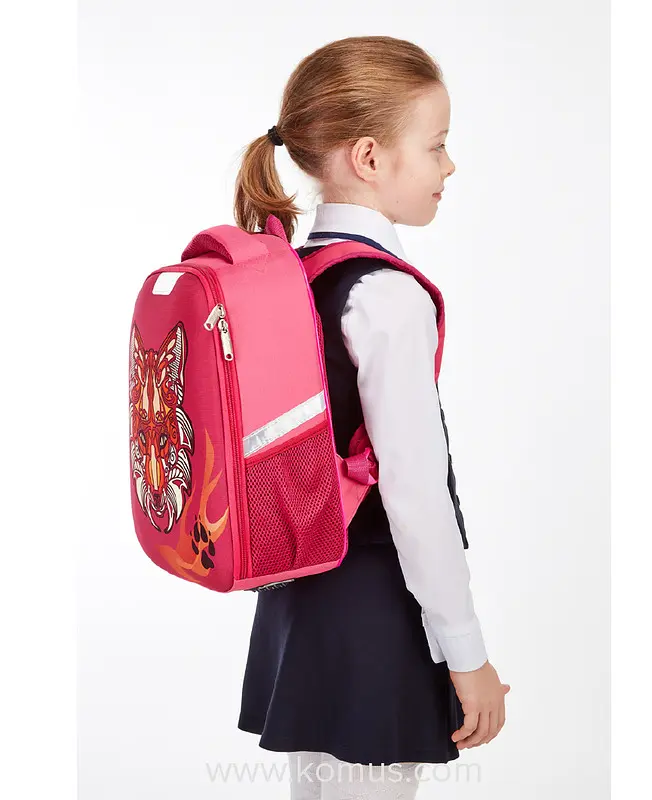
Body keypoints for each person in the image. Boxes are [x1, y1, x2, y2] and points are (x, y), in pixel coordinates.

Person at [232, 35, 510, 798]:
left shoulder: (289, 276)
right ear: (369, 157)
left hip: (299, 599)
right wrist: (467, 654)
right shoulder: (388, 295)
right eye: (437, 145)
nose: (449, 167)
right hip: (378, 618)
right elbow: (415, 497)